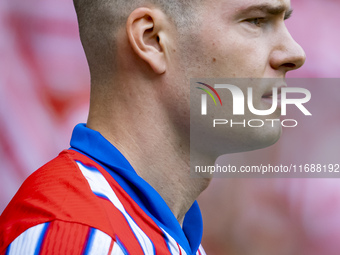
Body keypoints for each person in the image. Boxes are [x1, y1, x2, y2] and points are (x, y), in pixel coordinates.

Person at [0, 0, 305, 254]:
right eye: (256, 20)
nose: (294, 54)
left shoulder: (164, 235)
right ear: (152, 39)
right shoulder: (78, 235)